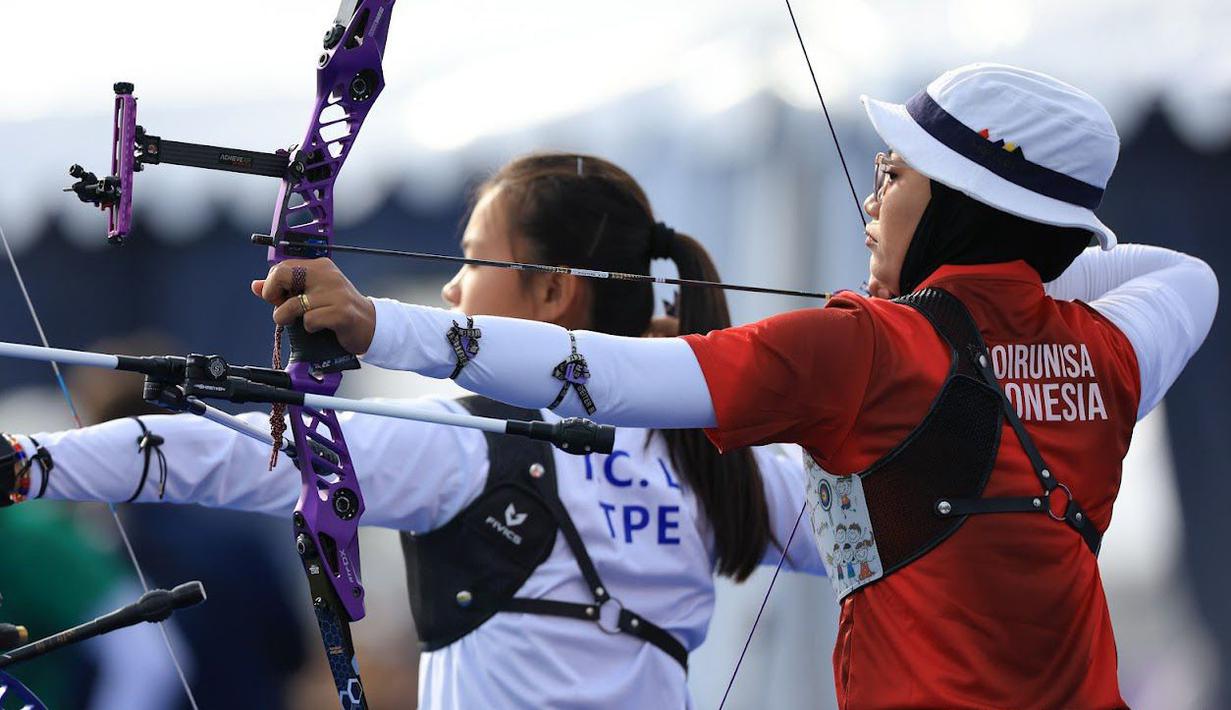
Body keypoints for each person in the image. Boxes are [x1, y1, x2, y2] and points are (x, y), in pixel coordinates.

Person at [265, 64, 1219, 707]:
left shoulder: (867, 349)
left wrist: (379, 325)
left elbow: (606, 373)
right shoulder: (1111, 349)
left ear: (963, 204)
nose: (870, 199)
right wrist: (1021, 274)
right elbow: (1186, 276)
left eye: (892, 174)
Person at [1, 153, 823, 709]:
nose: (456, 291)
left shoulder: (466, 448)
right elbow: (890, 526)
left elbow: (225, 453)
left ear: (552, 295)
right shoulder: (721, 458)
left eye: (474, 261)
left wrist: (31, 463)